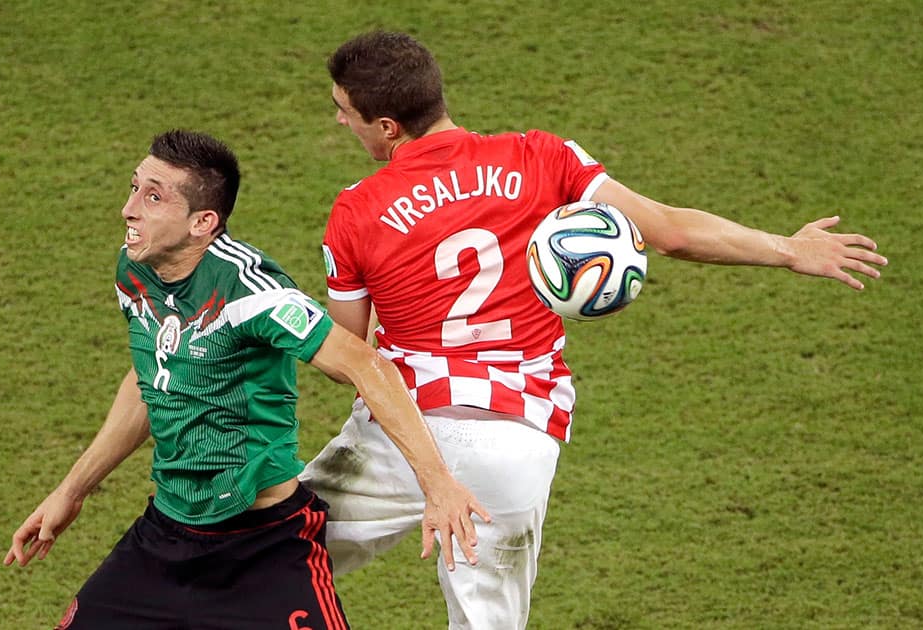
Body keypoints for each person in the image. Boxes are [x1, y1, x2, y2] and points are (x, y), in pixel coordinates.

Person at [298, 31, 888, 629]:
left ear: (389, 126)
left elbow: (350, 350)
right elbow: (669, 232)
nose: (341, 121)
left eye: (345, 112)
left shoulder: (357, 209)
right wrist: (787, 249)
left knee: (265, 557)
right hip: (517, 442)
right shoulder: (542, 156)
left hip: (405, 435)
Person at [3, 129, 489, 630]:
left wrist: (437, 485)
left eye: (153, 197)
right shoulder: (135, 271)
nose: (129, 210)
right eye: (133, 187)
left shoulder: (253, 291)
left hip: (264, 546)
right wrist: (72, 490)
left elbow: (367, 365)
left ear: (202, 223)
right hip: (167, 534)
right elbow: (153, 376)